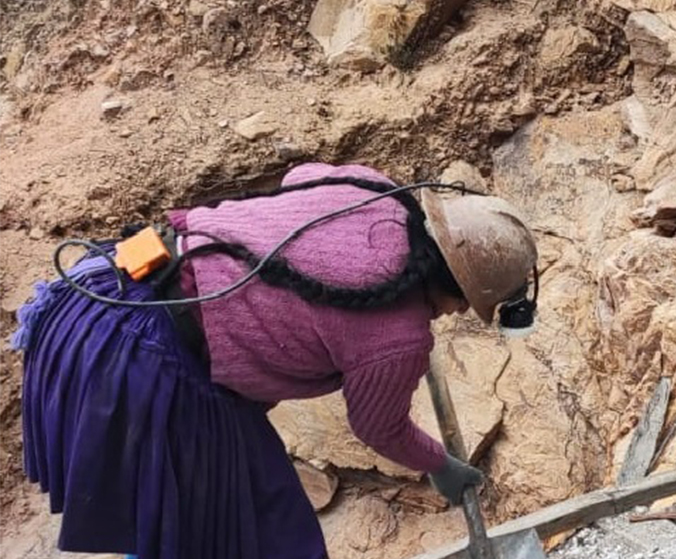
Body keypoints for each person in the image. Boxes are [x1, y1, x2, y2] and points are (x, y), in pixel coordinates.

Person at [10, 162, 539, 559]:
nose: (449, 317)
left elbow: (300, 177)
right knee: (265, 538)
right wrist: (438, 464)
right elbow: (379, 427)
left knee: (176, 518)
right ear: (455, 292)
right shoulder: (397, 338)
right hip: (142, 366)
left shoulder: (365, 186)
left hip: (100, 290)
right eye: (460, 306)